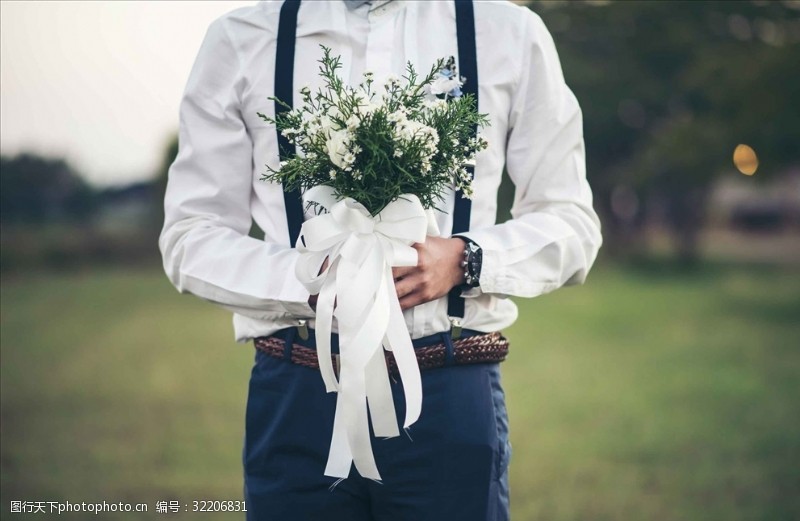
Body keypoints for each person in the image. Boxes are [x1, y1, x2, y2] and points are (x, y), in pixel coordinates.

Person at [159, 0, 602, 519]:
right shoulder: (242, 37)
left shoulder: (508, 32)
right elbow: (190, 234)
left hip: (448, 386)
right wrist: (310, 285)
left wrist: (465, 260)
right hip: (299, 389)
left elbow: (571, 221)